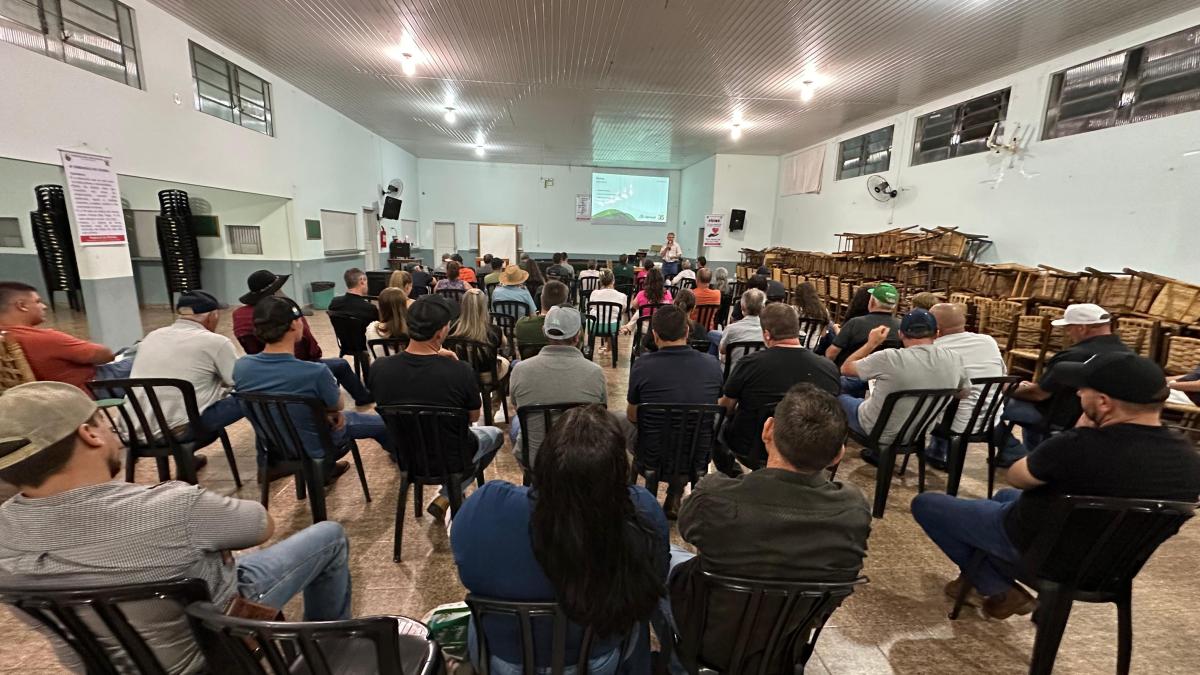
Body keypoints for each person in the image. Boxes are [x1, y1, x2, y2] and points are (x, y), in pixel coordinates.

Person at [0, 382, 353, 673]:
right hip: (209, 644)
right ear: (89, 434)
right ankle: (328, 652)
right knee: (329, 536)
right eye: (104, 422)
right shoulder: (172, 506)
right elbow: (261, 525)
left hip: (102, 663)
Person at [912, 352, 1200, 620]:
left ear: (1103, 402)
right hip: (1109, 570)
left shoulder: (1079, 444)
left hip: (1041, 556)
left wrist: (1076, 433)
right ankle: (977, 578)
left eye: (1084, 389)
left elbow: (1017, 475)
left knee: (928, 504)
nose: (1078, 393)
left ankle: (997, 585)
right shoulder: (1189, 459)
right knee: (1004, 496)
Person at [666, 384, 871, 672]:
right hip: (784, 647)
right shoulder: (855, 509)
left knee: (661, 551)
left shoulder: (715, 496)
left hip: (703, 637)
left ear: (767, 431)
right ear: (838, 454)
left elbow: (687, 528)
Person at [451, 405, 667, 674]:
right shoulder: (641, 510)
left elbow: (467, 571)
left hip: (506, 658)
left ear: (542, 460)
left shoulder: (487, 505)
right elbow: (655, 577)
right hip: (598, 658)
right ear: (618, 470)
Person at [369, 295, 504, 520]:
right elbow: (474, 416)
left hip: (407, 454)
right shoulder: (460, 371)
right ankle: (450, 494)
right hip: (453, 456)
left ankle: (448, 495)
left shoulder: (379, 369)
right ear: (441, 332)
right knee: (495, 435)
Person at [234, 297, 393, 482]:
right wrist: (327, 412)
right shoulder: (315, 372)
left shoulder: (241, 367)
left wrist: (321, 412)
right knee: (385, 423)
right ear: (294, 324)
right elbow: (337, 405)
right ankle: (404, 461)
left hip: (275, 447)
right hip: (319, 446)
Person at [998, 303, 1132, 464]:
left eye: (1069, 328)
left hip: (1057, 417)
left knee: (985, 406)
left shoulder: (1072, 356)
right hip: (1097, 417)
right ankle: (1033, 454)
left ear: (1082, 328)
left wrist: (1007, 388)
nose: (1068, 333)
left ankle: (1014, 453)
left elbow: (1039, 395)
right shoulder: (1128, 354)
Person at [626, 305, 723, 518]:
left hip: (652, 452)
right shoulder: (712, 365)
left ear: (655, 335)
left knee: (623, 423)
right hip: (697, 454)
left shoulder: (643, 365)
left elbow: (633, 416)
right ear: (687, 332)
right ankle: (675, 493)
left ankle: (629, 496)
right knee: (687, 430)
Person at [839, 309, 971, 462]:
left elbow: (845, 369)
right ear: (936, 334)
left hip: (876, 430)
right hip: (918, 433)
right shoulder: (954, 359)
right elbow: (964, 392)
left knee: (837, 396)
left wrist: (871, 343)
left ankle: (833, 453)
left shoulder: (888, 358)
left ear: (900, 334)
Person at [719, 304, 840, 467]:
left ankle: (730, 473)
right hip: (809, 452)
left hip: (752, 448)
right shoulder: (829, 369)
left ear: (767, 335)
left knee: (715, 422)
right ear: (797, 330)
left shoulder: (750, 364)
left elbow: (726, 408)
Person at [232, 270, 372, 406]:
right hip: (297, 367)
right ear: (274, 292)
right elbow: (311, 350)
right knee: (340, 365)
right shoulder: (289, 313)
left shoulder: (238, 316)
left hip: (261, 369)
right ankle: (363, 397)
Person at [127, 290, 242, 449]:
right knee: (250, 394)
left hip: (137, 429)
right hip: (180, 430)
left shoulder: (152, 336)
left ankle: (187, 460)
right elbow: (239, 380)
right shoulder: (216, 342)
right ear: (212, 316)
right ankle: (270, 451)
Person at [508, 307, 607, 464]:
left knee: (516, 421)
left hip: (536, 460)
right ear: (577, 336)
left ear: (544, 332)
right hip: (582, 460)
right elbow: (601, 415)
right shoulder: (595, 372)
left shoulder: (520, 370)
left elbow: (516, 406)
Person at [0, 281, 133, 392]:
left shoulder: (6, 337)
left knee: (132, 350)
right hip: (93, 386)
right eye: (38, 301)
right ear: (22, 305)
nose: (44, 306)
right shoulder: (42, 339)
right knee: (142, 353)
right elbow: (106, 355)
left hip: (50, 394)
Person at [925, 303, 1006, 469]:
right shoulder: (988, 341)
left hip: (954, 423)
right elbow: (1002, 378)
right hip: (990, 419)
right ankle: (937, 452)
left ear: (936, 327)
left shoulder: (935, 349)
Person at [825, 283, 901, 369]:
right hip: (887, 373)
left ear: (871, 302)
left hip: (853, 373)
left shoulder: (855, 323)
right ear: (894, 306)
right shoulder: (901, 326)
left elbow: (830, 354)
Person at [450, 288, 510, 381]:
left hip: (460, 374)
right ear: (484, 307)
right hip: (487, 374)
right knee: (506, 362)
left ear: (463, 305)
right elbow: (503, 345)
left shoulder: (452, 329)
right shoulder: (494, 331)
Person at [514, 281, 570, 358]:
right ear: (565, 301)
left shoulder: (521, 325)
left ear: (541, 298)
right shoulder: (572, 326)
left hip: (529, 364)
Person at [640, 289, 705, 355]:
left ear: (674, 303)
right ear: (693, 308)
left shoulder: (660, 322)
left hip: (659, 358)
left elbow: (647, 342)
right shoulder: (700, 330)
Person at [719, 288, 766, 370]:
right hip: (756, 372)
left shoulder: (731, 329)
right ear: (763, 308)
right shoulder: (767, 331)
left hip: (733, 372)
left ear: (742, 307)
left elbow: (722, 350)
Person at [587, 269, 628, 355]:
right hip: (613, 327)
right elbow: (622, 311)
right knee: (613, 317)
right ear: (613, 280)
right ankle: (609, 347)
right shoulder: (622, 296)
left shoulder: (594, 293)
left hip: (595, 326)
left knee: (600, 314)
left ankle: (592, 350)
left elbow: (591, 306)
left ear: (600, 281)